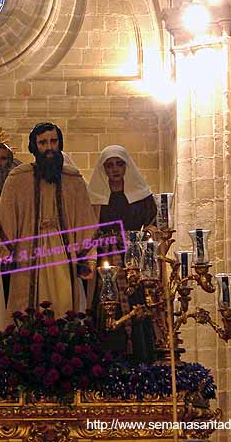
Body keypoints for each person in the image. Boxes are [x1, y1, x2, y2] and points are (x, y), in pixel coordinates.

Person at [0, 122, 97, 320]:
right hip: (27, 253)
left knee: (63, 305)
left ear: (60, 144)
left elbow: (85, 222)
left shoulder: (73, 180)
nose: (49, 147)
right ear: (34, 146)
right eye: (43, 142)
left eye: (53, 141)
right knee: (26, 308)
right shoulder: (17, 179)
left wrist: (87, 258)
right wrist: (5, 252)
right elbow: (5, 217)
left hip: (63, 254)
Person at [87, 144, 157, 362]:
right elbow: (88, 229)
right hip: (106, 257)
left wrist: (142, 239)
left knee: (137, 303)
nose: (114, 169)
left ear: (126, 166)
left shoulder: (142, 196)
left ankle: (141, 357)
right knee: (108, 305)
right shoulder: (95, 198)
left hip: (134, 258)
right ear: (103, 169)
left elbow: (154, 226)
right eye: (109, 165)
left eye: (119, 164)